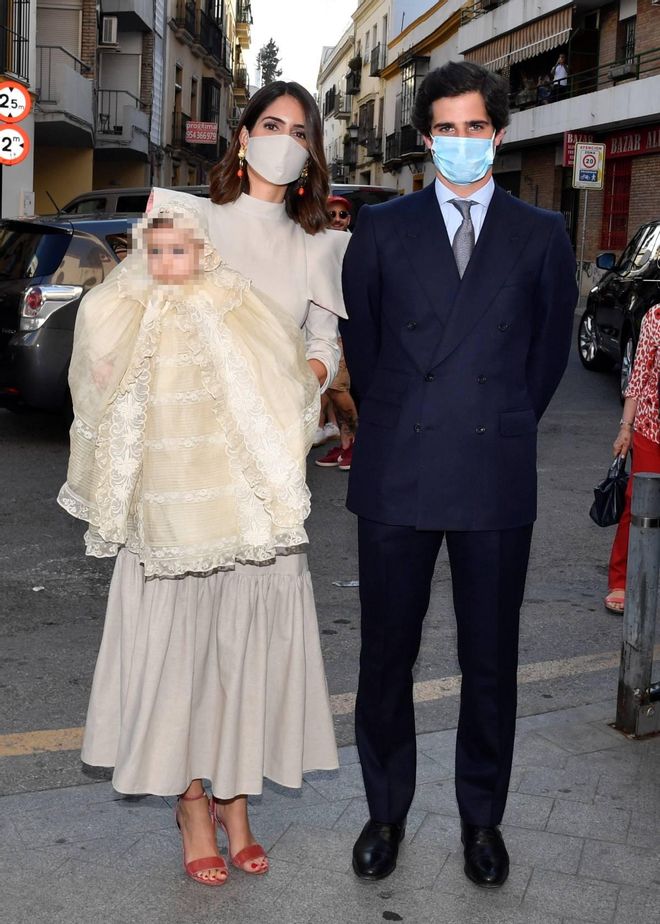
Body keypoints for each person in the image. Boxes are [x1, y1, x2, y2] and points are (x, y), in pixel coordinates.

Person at [60, 80, 348, 887]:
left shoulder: (318, 244)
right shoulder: (187, 217)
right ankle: (192, 802)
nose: (283, 139)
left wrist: (301, 384)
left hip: (263, 477)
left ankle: (237, 799)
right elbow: (123, 307)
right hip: (181, 476)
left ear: (311, 152)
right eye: (271, 124)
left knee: (246, 644)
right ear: (243, 134)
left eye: (299, 130)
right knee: (183, 639)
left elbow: (323, 344)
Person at [341, 60, 577, 888]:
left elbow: (545, 359)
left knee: (490, 658)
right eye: (446, 127)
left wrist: (500, 422)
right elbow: (365, 356)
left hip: (492, 468)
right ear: (424, 137)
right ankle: (386, 811)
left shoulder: (541, 233)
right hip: (399, 467)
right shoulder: (383, 228)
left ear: (500, 134)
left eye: (477, 127)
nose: (463, 142)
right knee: (385, 656)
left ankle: (483, 821)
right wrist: (408, 418)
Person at [605, 305, 660, 613]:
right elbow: (638, 378)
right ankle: (621, 578)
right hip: (652, 428)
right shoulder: (656, 316)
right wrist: (625, 428)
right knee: (637, 502)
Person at [316, 195, 358, 471]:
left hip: (343, 325)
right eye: (331, 214)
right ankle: (345, 445)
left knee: (337, 386)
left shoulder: (355, 245)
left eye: (342, 215)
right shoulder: (317, 243)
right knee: (328, 387)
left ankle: (356, 443)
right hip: (320, 324)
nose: (337, 220)